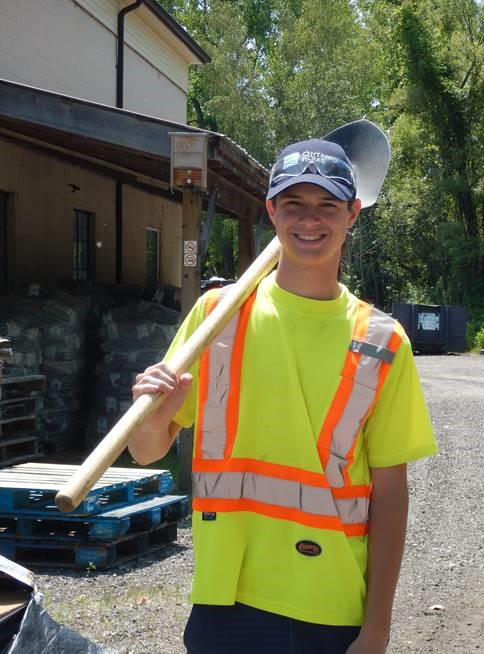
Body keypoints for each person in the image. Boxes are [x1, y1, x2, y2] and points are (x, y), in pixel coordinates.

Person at [128, 127, 438, 654]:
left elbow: (390, 495)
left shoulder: (383, 342)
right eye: (294, 203)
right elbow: (145, 450)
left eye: (326, 205)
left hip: (330, 605)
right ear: (271, 211)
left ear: (352, 213)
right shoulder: (216, 318)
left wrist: (378, 626)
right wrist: (154, 416)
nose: (309, 219)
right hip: (227, 600)